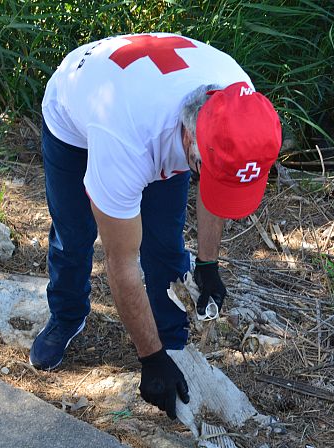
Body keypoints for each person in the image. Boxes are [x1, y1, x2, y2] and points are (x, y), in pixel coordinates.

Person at [31, 33, 282, 420]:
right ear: (188, 135)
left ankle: (173, 341)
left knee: (164, 244)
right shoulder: (127, 141)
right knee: (74, 232)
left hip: (148, 109)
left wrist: (208, 264)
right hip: (78, 114)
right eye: (203, 169)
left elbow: (217, 184)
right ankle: (67, 314)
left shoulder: (240, 105)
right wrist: (149, 359)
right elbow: (121, 262)